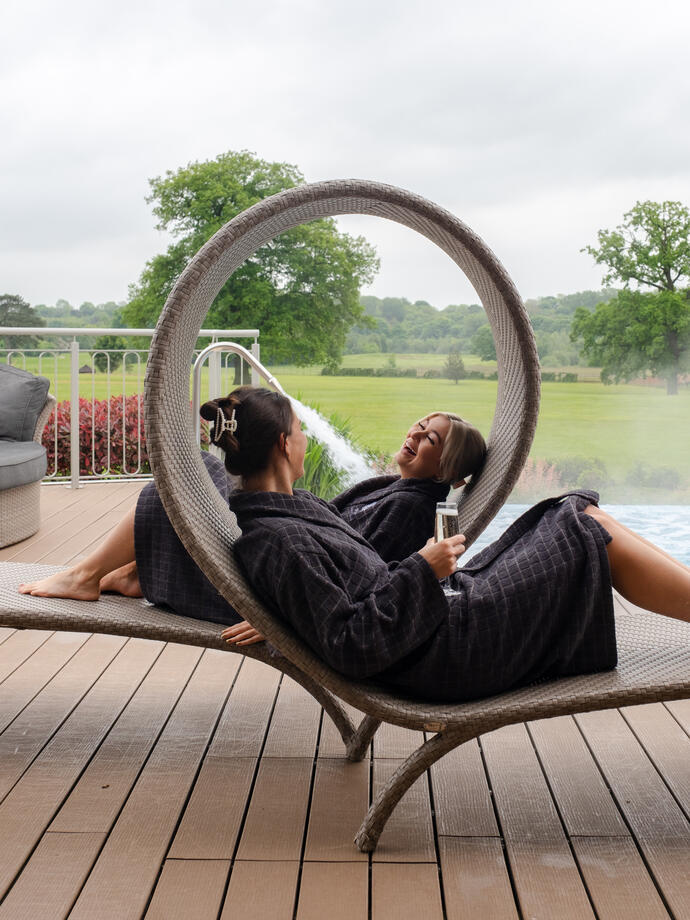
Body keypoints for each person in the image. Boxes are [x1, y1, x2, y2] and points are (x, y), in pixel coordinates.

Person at [18, 390, 487, 636]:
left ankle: (90, 574)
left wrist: (283, 622)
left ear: (450, 469)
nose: (417, 434)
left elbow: (365, 577)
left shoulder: (411, 507)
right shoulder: (393, 487)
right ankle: (130, 573)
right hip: (282, 559)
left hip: (280, 584)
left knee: (189, 469)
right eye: (421, 425)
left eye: (432, 440)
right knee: (194, 469)